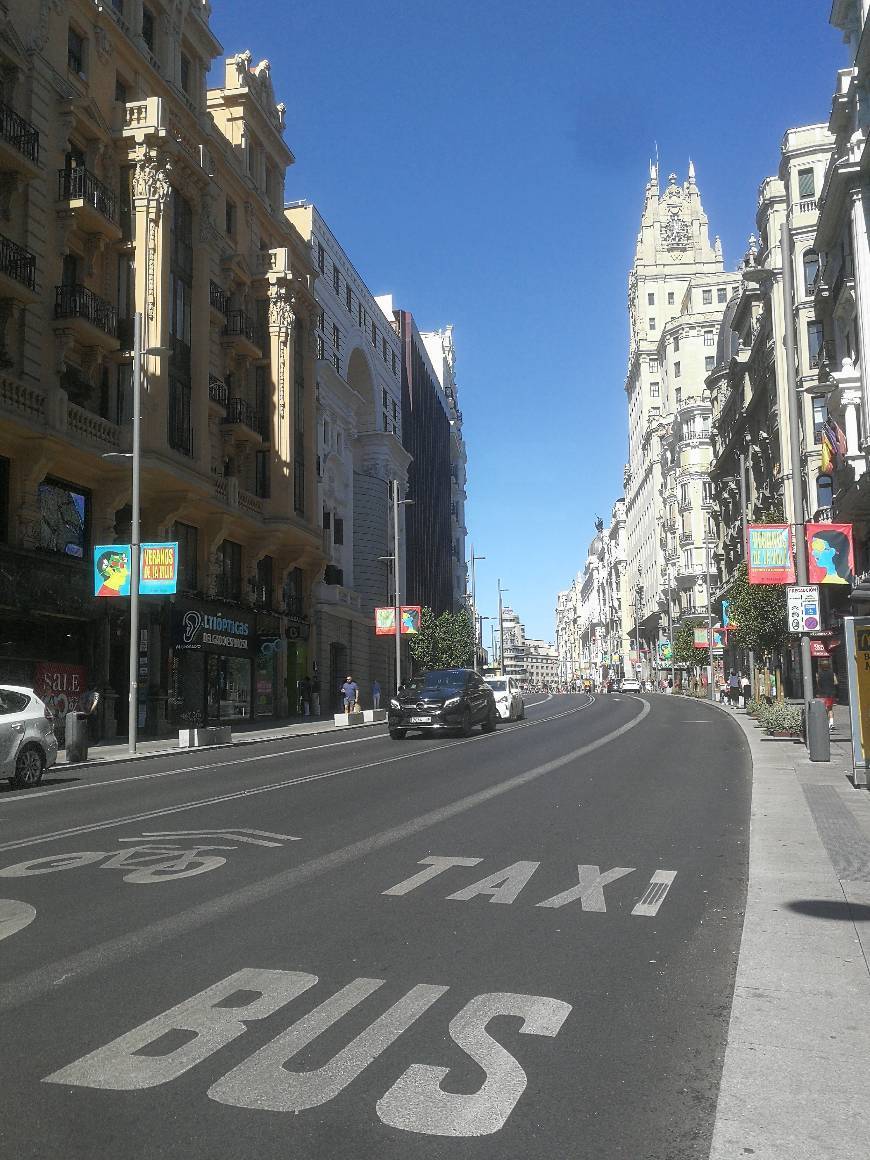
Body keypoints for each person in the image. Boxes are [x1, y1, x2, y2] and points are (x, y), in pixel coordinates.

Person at [815, 658, 838, 732]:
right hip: (831, 693)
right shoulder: (832, 673)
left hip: (823, 693)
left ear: (821, 665)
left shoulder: (819, 674)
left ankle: (825, 724)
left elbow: (818, 684)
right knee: (830, 709)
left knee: (824, 709)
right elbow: (836, 682)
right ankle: (831, 723)